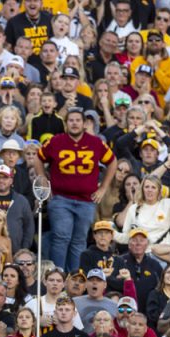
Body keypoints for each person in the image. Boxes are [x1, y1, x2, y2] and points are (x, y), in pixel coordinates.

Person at [33, 107, 119, 272]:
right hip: (61, 198)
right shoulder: (56, 141)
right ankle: (58, 276)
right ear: (66, 123)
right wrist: (43, 181)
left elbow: (112, 161)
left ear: (84, 123)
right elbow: (38, 157)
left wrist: (103, 188)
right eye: (71, 120)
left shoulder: (95, 142)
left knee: (79, 240)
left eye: (78, 120)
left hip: (86, 200)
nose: (74, 123)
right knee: (62, 237)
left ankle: (75, 278)